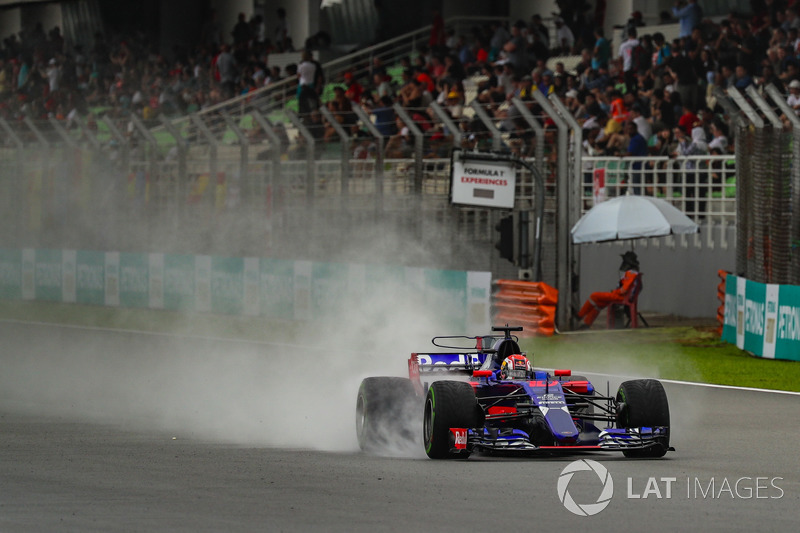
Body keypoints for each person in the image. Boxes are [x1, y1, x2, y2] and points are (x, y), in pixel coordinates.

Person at [575, 251, 641, 328]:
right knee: (599, 303)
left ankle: (580, 315)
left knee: (594, 296)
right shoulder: (634, 272)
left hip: (622, 297)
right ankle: (586, 324)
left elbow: (624, 290)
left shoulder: (631, 273)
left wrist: (615, 292)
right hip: (624, 296)